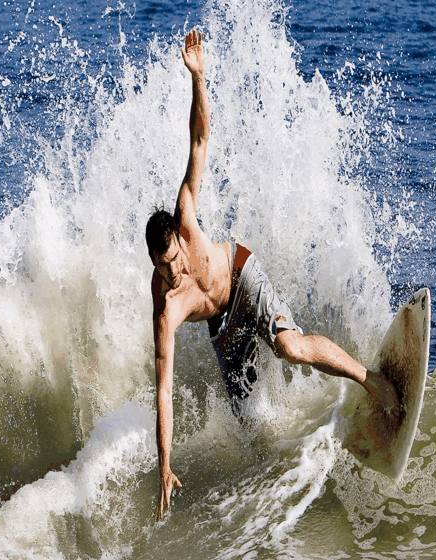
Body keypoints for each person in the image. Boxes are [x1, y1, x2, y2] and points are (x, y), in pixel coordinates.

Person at [146, 30, 398, 520]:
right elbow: (163, 388)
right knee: (250, 428)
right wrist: (165, 465)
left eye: (177, 258)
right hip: (224, 328)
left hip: (242, 275)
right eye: (166, 267)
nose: (176, 270)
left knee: (290, 346)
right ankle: (302, 476)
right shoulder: (166, 308)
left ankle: (374, 383)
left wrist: (198, 78)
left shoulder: (185, 213)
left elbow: (199, 139)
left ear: (179, 239)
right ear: (154, 265)